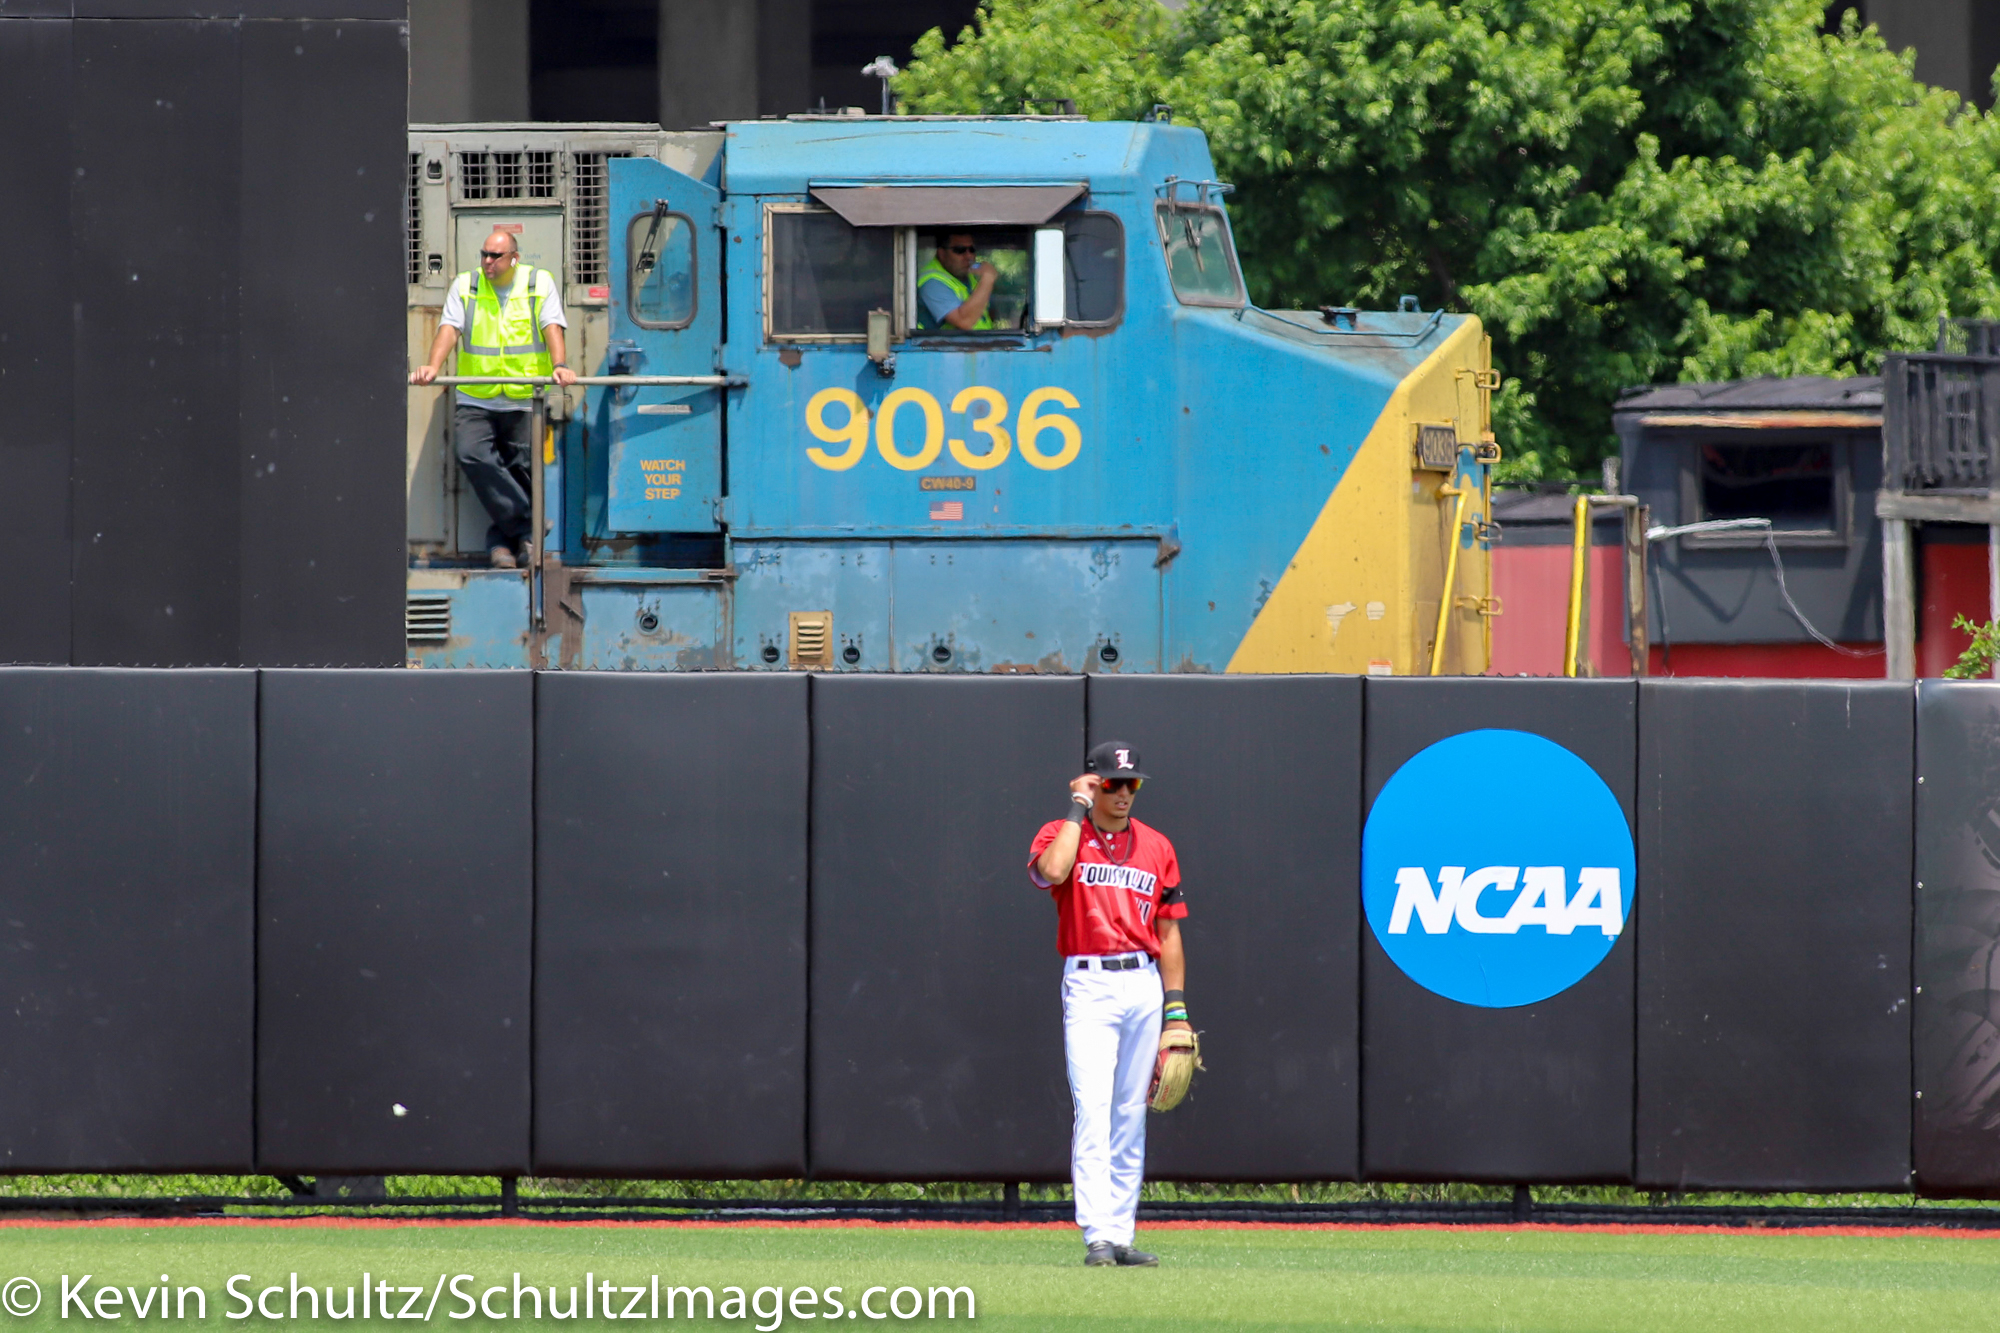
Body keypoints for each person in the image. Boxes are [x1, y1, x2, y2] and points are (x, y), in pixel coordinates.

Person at [1028, 741, 1192, 1267]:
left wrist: (1176, 1010)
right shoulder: (1061, 833)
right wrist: (1076, 808)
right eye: (1112, 783)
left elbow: (1167, 932)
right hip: (1090, 981)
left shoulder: (1157, 846)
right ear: (1093, 784)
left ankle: (1120, 1233)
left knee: (1130, 1114)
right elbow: (1052, 872)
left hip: (1142, 982)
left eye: (1132, 784)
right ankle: (1096, 1234)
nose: (1123, 793)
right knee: (1093, 1109)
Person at [411, 229, 578, 568]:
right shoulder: (466, 285)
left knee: (521, 472)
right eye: (484, 254)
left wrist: (559, 365)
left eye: (495, 256)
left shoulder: (538, 283)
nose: (487, 262)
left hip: (522, 395)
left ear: (514, 258)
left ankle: (503, 547)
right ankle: (528, 529)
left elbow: (552, 327)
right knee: (472, 455)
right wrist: (433, 366)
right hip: (477, 396)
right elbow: (449, 328)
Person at [917, 232, 998, 331]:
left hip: (982, 343)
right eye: (960, 250)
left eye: (972, 250)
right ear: (942, 254)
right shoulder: (931, 283)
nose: (969, 256)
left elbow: (991, 314)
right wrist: (987, 279)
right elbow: (964, 322)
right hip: (941, 346)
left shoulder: (972, 277)